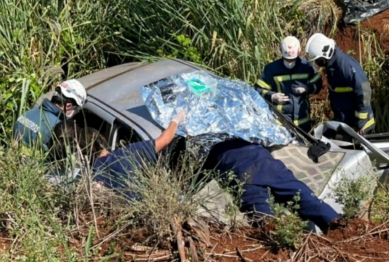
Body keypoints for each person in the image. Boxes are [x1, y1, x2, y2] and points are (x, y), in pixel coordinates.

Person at [202, 138, 341, 233]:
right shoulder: (242, 128)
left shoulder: (206, 144)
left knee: (265, 222)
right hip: (266, 164)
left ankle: (282, 244)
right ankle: (338, 226)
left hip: (243, 174)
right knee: (304, 198)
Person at [50, 110, 187, 198]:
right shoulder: (128, 154)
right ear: (103, 143)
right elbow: (166, 139)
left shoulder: (90, 175)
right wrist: (177, 119)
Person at [305, 33, 375, 135]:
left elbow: (364, 91)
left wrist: (361, 122)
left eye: (317, 59)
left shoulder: (344, 65)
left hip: (360, 125)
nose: (317, 62)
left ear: (324, 55)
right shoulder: (333, 66)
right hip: (346, 120)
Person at [254, 36, 323, 133]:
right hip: (281, 123)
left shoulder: (307, 67)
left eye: (292, 59)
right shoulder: (271, 69)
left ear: (298, 52)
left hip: (303, 122)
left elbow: (318, 85)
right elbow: (258, 90)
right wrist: (272, 96)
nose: (290, 62)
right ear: (281, 52)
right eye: (287, 59)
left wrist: (307, 88)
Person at [13, 79, 87, 152]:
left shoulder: (28, 113)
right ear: (68, 106)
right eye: (76, 109)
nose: (75, 112)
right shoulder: (60, 128)